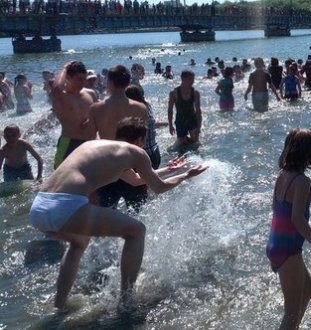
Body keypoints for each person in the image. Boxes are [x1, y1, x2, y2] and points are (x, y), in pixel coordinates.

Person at [29, 117, 208, 309]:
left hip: (39, 207)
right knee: (137, 231)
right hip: (66, 206)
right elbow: (158, 187)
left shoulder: (97, 146)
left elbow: (136, 179)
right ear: (140, 139)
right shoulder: (137, 152)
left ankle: (59, 305)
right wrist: (185, 175)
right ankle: (126, 301)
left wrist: (170, 169)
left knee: (78, 243)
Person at [266, 128, 311, 329]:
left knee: (308, 289)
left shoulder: (282, 175)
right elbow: (297, 218)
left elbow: (278, 210)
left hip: (277, 243)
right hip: (288, 248)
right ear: (309, 152)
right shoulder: (302, 181)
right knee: (291, 311)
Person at [89, 65, 149, 210]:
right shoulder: (140, 108)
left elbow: (90, 143)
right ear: (128, 83)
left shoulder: (96, 109)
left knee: (105, 215)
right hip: (131, 164)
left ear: (109, 82)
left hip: (107, 167)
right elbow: (142, 143)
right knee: (138, 213)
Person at [50, 61, 98, 168]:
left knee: (91, 174)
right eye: (79, 79)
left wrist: (90, 122)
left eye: (84, 79)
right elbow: (56, 88)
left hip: (90, 141)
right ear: (68, 77)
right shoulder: (62, 96)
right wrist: (65, 67)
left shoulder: (91, 93)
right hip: (69, 141)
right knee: (61, 173)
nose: (83, 82)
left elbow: (98, 114)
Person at [126, 85, 166, 169]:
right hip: (155, 153)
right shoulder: (147, 107)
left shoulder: (135, 113)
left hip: (144, 156)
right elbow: (147, 125)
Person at [168, 69, 203, 147]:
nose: (192, 81)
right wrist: (170, 125)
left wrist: (199, 127)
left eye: (193, 79)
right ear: (183, 79)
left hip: (192, 119)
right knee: (181, 145)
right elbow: (170, 110)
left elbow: (198, 111)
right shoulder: (174, 93)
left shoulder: (195, 93)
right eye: (190, 79)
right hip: (180, 121)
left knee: (196, 143)